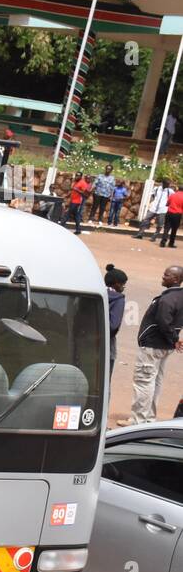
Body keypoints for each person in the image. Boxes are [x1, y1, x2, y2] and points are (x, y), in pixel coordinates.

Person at [123, 265, 183, 426]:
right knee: (155, 381)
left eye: (167, 275)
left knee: (143, 381)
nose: (163, 277)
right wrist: (175, 339)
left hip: (153, 346)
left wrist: (173, 337)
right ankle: (148, 419)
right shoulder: (179, 297)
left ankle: (138, 422)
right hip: (165, 347)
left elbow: (164, 322)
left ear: (176, 279)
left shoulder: (167, 299)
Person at [106, 264, 127, 372]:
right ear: (116, 284)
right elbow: (113, 326)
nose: (123, 288)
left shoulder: (97, 292)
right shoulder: (118, 299)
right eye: (123, 285)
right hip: (106, 346)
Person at [162, 181, 183, 249]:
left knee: (166, 228)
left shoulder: (173, 195)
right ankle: (171, 243)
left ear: (178, 189)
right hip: (177, 214)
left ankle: (163, 242)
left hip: (169, 212)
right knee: (174, 230)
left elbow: (167, 203)